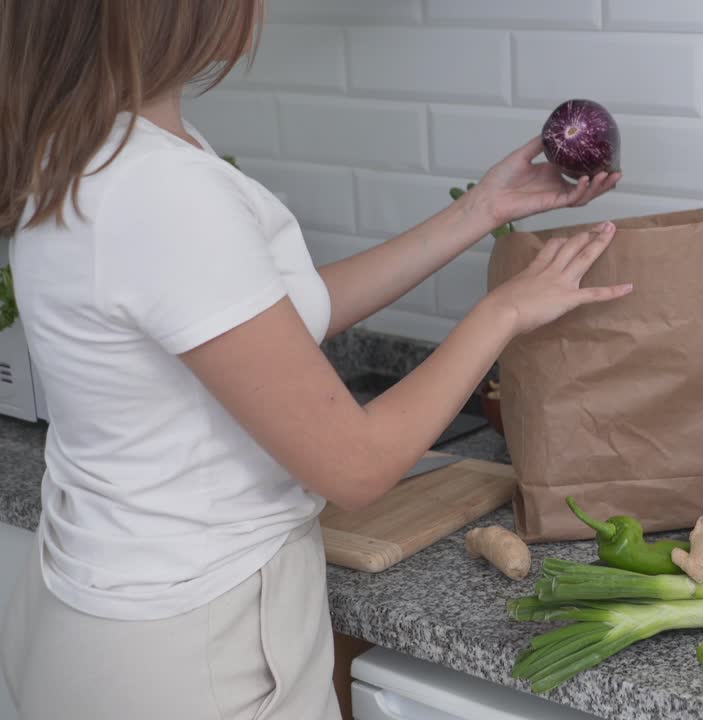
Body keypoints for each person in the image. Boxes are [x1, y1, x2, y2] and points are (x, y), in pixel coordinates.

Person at [0, 2, 630, 718]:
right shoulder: (156, 189)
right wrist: (504, 311)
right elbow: (354, 467)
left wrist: (478, 211)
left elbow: (265, 321)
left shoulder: (99, 148)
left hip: (109, 623)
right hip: (193, 650)